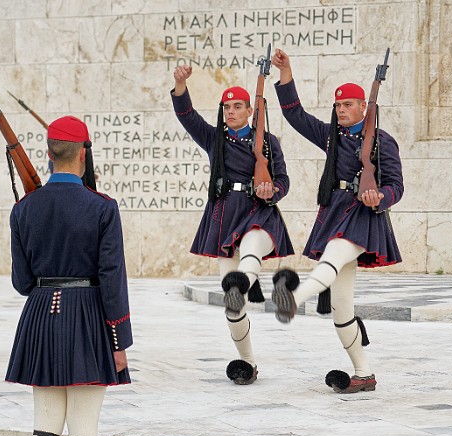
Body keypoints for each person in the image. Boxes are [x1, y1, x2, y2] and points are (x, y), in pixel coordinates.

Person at [5, 116, 131, 436]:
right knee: (83, 430)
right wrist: (120, 342)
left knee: (45, 429)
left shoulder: (24, 208)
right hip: (87, 317)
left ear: (48, 153)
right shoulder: (102, 207)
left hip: (40, 316)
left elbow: (22, 282)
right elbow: (112, 278)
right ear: (83, 153)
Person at [270, 49, 404, 394]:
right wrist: (286, 73)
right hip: (335, 211)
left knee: (330, 262)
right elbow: (295, 114)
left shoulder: (382, 142)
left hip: (362, 217)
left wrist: (380, 197)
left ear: (364, 107)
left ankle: (293, 301)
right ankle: (364, 373)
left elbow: (396, 186)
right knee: (342, 309)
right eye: (338, 106)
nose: (341, 110)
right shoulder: (332, 135)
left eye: (348, 105)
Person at [171, 65, 293, 385]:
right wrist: (180, 84)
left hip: (259, 212)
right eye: (227, 106)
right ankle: (247, 362)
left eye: (237, 106)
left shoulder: (267, 142)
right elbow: (187, 116)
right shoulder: (215, 139)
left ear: (250, 110)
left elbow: (282, 181)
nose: (231, 111)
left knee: (252, 243)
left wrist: (272, 190)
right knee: (232, 303)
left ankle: (246, 279)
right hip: (226, 216)